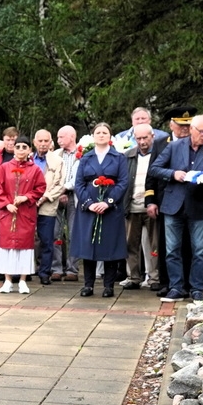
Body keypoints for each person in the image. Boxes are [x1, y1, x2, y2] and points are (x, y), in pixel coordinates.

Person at [152, 114, 203, 300]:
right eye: (202, 132)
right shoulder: (174, 146)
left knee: (199, 251)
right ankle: (176, 287)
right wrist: (173, 174)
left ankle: (196, 289)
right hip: (173, 205)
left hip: (198, 205)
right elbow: (155, 169)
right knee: (172, 250)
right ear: (192, 129)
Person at [72, 123, 130, 297]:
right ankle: (88, 285)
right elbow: (79, 183)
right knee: (88, 245)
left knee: (109, 246)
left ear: (110, 136)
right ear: (93, 136)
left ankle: (108, 286)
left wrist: (107, 202)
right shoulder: (86, 158)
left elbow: (123, 183)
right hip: (88, 209)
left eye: (105, 132)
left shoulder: (119, 158)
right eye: (98, 132)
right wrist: (89, 203)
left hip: (110, 209)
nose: (101, 135)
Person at [0, 136, 46, 294]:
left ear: (30, 150)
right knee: (7, 246)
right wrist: (6, 204)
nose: (21, 150)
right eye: (18, 147)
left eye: (24, 147)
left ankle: (23, 280)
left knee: (25, 247)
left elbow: (40, 188)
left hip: (25, 213)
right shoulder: (4, 167)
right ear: (14, 149)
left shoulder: (35, 169)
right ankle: (7, 280)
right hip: (8, 213)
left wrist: (26, 197)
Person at [121, 124, 164, 290]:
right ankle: (133, 277)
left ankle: (154, 278)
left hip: (152, 206)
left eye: (145, 137)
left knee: (154, 244)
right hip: (132, 205)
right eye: (138, 138)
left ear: (152, 136)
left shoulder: (159, 155)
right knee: (131, 244)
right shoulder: (128, 156)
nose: (142, 141)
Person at [34, 129, 67, 286]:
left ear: (50, 142)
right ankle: (24, 271)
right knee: (26, 240)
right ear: (34, 142)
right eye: (40, 141)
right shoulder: (27, 158)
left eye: (46, 141)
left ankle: (45, 273)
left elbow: (59, 184)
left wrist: (43, 198)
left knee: (47, 240)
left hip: (47, 205)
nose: (43, 144)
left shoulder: (57, 161)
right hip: (27, 204)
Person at [55, 125, 81, 280]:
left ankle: (72, 270)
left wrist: (65, 189)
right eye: (57, 137)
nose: (58, 140)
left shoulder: (83, 153)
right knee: (56, 233)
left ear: (72, 136)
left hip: (74, 196)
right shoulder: (56, 154)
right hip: (56, 197)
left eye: (61, 137)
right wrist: (59, 192)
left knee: (73, 233)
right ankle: (56, 268)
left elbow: (80, 177)